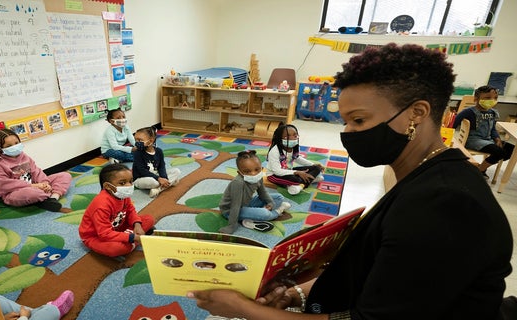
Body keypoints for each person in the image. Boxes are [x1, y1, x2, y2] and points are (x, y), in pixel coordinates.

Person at [187, 43, 513, 319]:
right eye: (345, 122)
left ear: (417, 113)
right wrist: (298, 293)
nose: (348, 133)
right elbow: (384, 274)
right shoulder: (424, 175)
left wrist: (248, 310)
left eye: (358, 120)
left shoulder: (447, 205)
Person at [0, 128, 72, 213]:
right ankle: (44, 197)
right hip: (15, 193)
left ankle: (52, 198)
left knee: (65, 176)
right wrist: (35, 186)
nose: (14, 147)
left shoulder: (23, 156)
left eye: (16, 143)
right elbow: (5, 185)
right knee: (32, 193)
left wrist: (45, 183)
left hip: (36, 185)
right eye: (9, 146)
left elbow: (36, 171)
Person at [78, 163, 155, 258]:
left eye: (130, 181)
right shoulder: (101, 205)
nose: (129, 185)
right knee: (115, 249)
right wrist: (132, 237)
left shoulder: (122, 195)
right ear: (108, 186)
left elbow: (131, 210)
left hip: (118, 227)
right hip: (96, 236)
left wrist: (137, 225)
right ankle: (132, 243)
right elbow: (104, 234)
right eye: (122, 183)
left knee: (149, 219)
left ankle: (130, 241)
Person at [218, 150, 291, 234]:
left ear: (261, 168)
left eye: (257, 169)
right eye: (247, 171)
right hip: (230, 211)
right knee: (265, 214)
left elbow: (262, 192)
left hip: (247, 203)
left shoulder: (258, 177)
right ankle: (278, 211)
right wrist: (231, 226)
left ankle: (250, 217)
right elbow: (235, 205)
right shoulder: (238, 183)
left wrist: (270, 203)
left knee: (279, 197)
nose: (253, 173)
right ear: (240, 173)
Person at [452, 85, 514, 178]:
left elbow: (493, 128)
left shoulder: (492, 113)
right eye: (488, 98)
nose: (492, 100)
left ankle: (480, 168)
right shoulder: (468, 112)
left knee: (512, 150)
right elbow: (453, 124)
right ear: (476, 99)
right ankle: (480, 171)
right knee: (499, 152)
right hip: (474, 140)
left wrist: (497, 138)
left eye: (495, 98)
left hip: (488, 139)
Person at [266, 124, 324, 195]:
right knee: (297, 180)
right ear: (280, 139)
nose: (293, 138)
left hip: (289, 170)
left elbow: (297, 158)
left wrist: (312, 165)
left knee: (317, 168)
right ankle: (305, 183)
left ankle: (299, 185)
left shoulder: (295, 147)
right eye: (287, 136)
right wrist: (296, 172)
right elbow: (277, 171)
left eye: (295, 135)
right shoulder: (275, 151)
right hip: (274, 175)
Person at [132, 126, 180, 198]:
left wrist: (164, 178)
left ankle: (158, 189)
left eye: (140, 140)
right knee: (154, 182)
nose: (137, 143)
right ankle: (169, 183)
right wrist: (159, 179)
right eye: (136, 140)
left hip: (156, 174)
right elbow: (142, 171)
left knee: (177, 171)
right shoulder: (137, 153)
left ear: (150, 141)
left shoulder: (159, 151)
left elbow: (161, 166)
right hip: (141, 178)